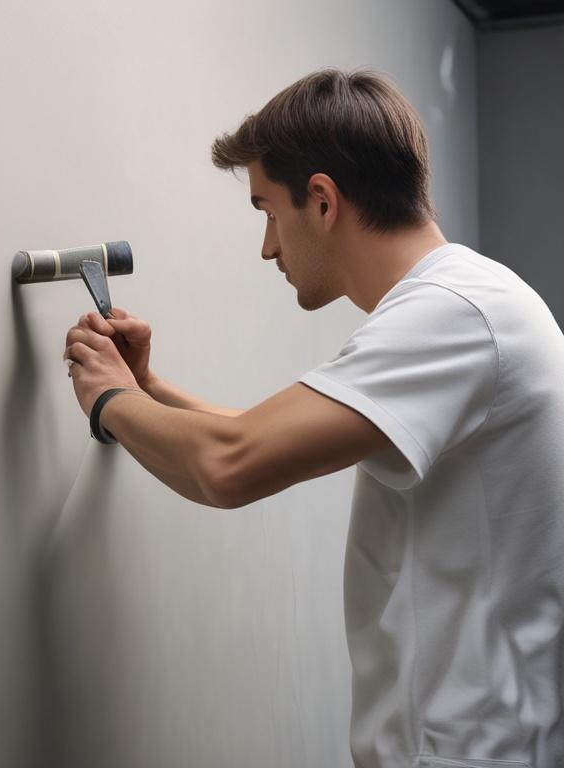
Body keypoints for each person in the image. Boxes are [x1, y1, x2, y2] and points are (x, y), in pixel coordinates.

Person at [62, 67, 564, 768]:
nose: (268, 246)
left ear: (323, 201)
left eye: (268, 211)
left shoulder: (454, 315)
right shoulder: (470, 301)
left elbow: (229, 462)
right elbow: (259, 434)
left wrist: (108, 400)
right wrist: (147, 387)